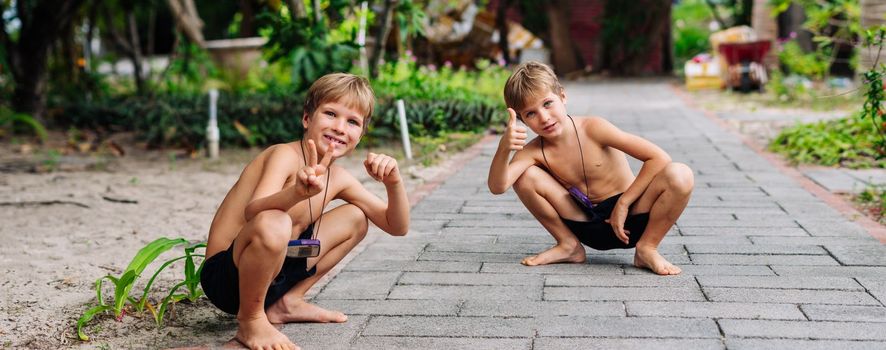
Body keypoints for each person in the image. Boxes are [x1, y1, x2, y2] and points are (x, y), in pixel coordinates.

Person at [200, 73, 410, 350]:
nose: (339, 127)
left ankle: (287, 302)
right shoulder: (283, 156)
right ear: (307, 119)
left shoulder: (340, 177)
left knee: (357, 218)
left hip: (276, 273)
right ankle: (251, 320)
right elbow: (254, 213)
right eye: (331, 113)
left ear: (360, 135)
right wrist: (295, 193)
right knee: (274, 220)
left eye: (352, 122)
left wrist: (394, 182)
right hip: (228, 277)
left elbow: (397, 226)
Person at [487, 61, 693, 275]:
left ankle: (647, 248)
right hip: (586, 224)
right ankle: (569, 246)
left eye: (547, 104)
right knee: (524, 175)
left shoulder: (593, 128)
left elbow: (658, 157)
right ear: (522, 120)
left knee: (680, 174)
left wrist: (623, 203)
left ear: (563, 97)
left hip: (631, 218)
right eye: (531, 114)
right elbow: (498, 186)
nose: (544, 118)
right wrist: (504, 148)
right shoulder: (532, 152)